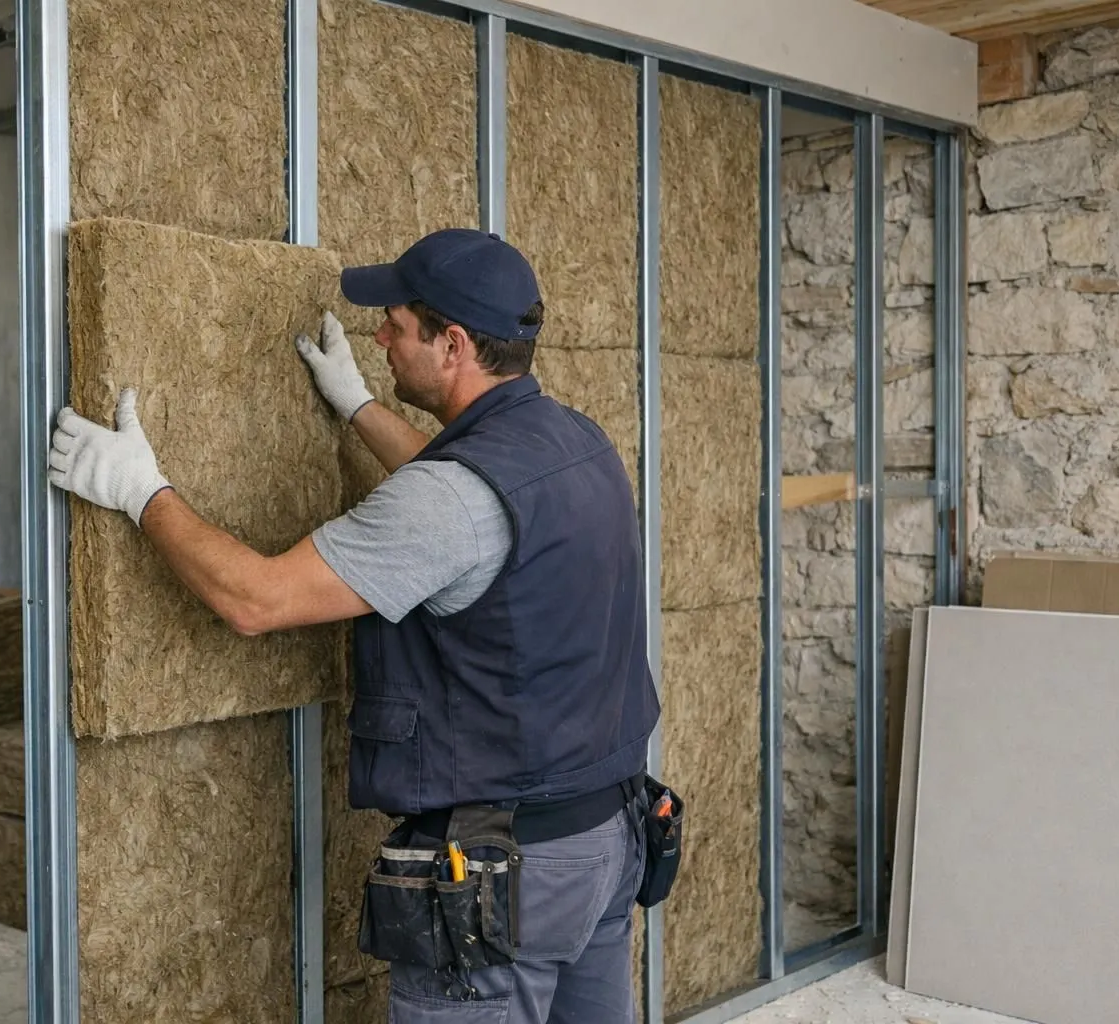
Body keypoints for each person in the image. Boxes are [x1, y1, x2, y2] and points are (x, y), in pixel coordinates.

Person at [48, 227, 662, 1023]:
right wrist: (363, 409)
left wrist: (140, 491)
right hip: (605, 839)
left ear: (453, 345)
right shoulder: (576, 443)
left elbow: (257, 600)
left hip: (509, 874)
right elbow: (467, 516)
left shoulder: (449, 502)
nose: (379, 336)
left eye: (396, 326)